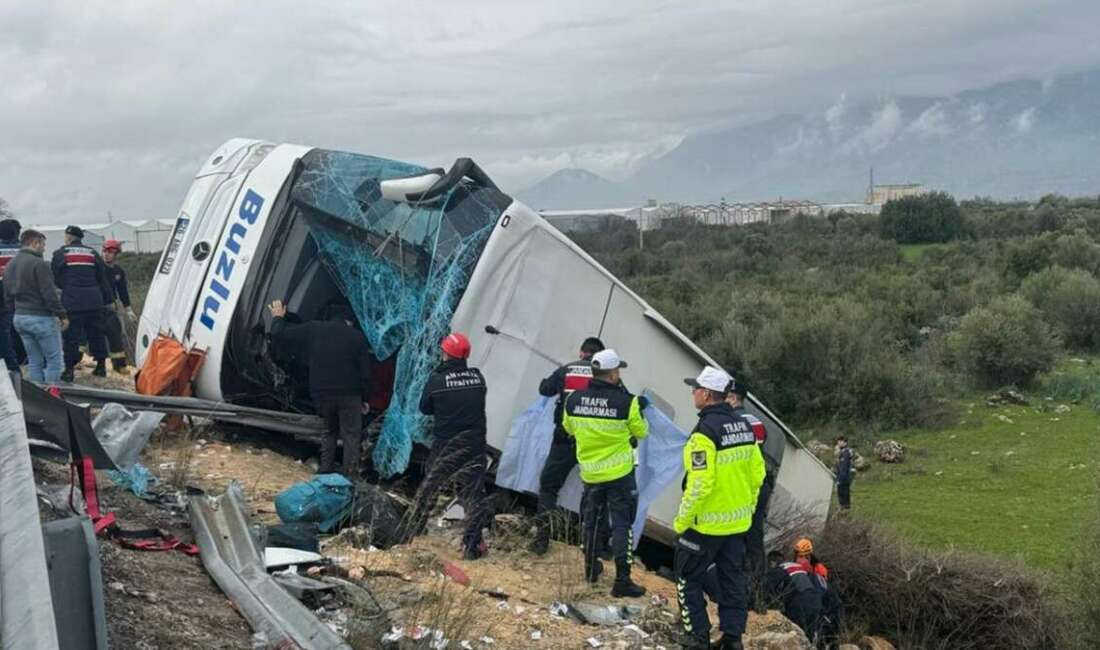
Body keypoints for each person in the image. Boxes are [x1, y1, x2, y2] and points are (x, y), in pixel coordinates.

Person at [674, 366, 766, 650]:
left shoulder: (704, 432)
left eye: (695, 389)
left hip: (705, 524)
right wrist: (747, 510)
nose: (692, 393)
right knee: (732, 580)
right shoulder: (744, 428)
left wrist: (681, 521)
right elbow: (758, 475)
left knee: (687, 578)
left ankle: (697, 636)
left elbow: (700, 483)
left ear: (705, 394)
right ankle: (732, 638)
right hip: (737, 524)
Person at [562, 348, 648, 597]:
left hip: (590, 474)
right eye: (618, 370)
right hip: (620, 474)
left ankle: (590, 570)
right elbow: (642, 432)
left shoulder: (573, 400)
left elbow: (569, 428)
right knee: (622, 525)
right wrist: (639, 409)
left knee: (591, 522)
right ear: (612, 374)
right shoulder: (627, 403)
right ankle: (622, 581)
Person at [401, 332, 491, 560]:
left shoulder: (437, 381)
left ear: (446, 354)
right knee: (473, 496)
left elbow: (425, 408)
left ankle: (413, 533)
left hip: (445, 446)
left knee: (429, 490)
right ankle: (472, 547)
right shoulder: (478, 379)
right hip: (474, 445)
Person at [269, 300, 373, 477]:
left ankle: (325, 471)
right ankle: (349, 477)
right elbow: (366, 373)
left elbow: (279, 334)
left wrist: (278, 318)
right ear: (350, 321)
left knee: (329, 432)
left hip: (321, 394)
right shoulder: (357, 337)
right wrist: (365, 398)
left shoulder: (314, 329)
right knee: (351, 435)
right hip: (350, 395)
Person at [529, 336, 605, 555]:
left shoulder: (568, 370)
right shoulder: (607, 376)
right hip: (592, 443)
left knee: (549, 486)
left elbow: (545, 389)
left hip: (564, 439)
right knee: (593, 491)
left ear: (582, 352)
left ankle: (541, 540)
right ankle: (592, 546)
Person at [726, 376, 776, 612]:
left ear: (733, 398)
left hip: (742, 486)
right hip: (759, 486)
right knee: (754, 541)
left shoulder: (729, 420)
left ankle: (736, 592)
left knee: (734, 538)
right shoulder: (756, 422)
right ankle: (756, 595)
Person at [5, 230, 68, 383]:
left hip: (20, 317)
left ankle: (38, 398)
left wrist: (15, 312)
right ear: (34, 243)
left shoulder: (11, 264)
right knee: (54, 361)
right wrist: (62, 314)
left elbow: (7, 294)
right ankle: (53, 398)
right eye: (43, 245)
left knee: (34, 361)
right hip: (41, 318)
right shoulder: (39, 264)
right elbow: (49, 295)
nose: (44, 249)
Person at [52, 226, 112, 381]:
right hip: (94, 301)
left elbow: (57, 278)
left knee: (71, 337)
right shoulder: (92, 253)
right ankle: (101, 367)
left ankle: (69, 370)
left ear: (69, 237)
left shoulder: (60, 253)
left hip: (73, 302)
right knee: (96, 334)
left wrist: (68, 287)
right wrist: (108, 300)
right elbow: (102, 279)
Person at [100, 239, 136, 371]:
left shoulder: (118, 271)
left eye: (110, 252)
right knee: (96, 337)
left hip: (111, 307)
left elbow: (122, 291)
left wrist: (128, 309)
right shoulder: (97, 268)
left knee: (116, 335)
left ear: (116, 255)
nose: (106, 255)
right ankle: (99, 364)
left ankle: (119, 365)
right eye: (104, 251)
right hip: (95, 307)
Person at [0, 218, 23, 371]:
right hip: (24, 294)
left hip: (3, 296)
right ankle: (22, 358)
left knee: (5, 331)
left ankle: (12, 363)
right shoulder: (24, 250)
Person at [835, 437, 853, 510]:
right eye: (838, 442)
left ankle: (844, 509)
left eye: (840, 442)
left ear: (845, 443)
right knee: (842, 494)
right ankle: (843, 508)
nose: (839, 443)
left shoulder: (846, 453)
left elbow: (844, 467)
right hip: (842, 476)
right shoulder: (841, 452)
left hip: (844, 478)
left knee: (844, 494)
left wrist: (840, 480)